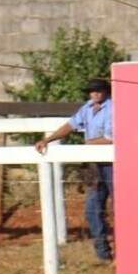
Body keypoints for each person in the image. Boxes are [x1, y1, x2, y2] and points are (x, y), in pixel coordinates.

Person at [36, 78, 115, 261]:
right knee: (92, 208)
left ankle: (127, 249)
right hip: (95, 164)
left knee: (118, 206)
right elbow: (71, 125)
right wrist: (48, 140)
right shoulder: (87, 108)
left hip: (112, 163)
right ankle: (103, 252)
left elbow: (111, 138)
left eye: (98, 91)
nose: (94, 94)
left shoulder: (113, 108)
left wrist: (88, 144)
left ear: (105, 91)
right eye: (92, 91)